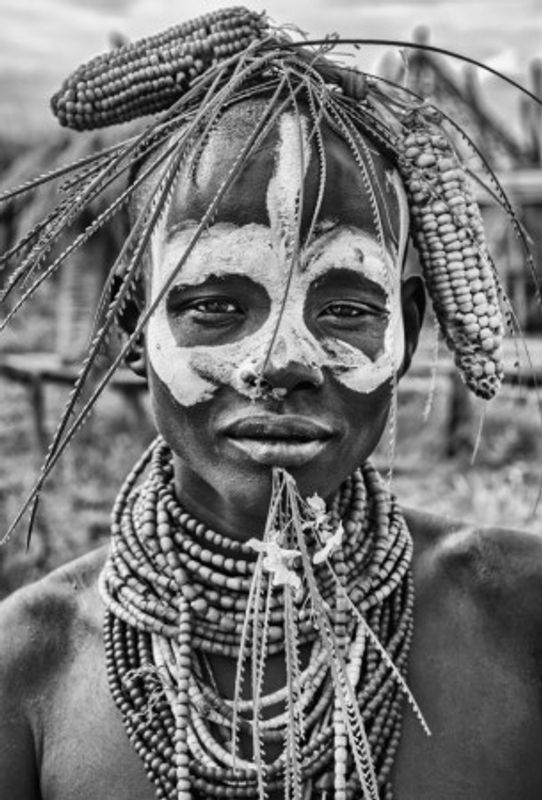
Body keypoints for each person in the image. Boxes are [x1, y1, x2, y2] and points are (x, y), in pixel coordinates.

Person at [1, 8, 542, 800]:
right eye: (216, 304)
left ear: (411, 326)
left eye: (346, 308)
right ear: (132, 322)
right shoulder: (29, 669)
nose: (280, 362)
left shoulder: (521, 616)